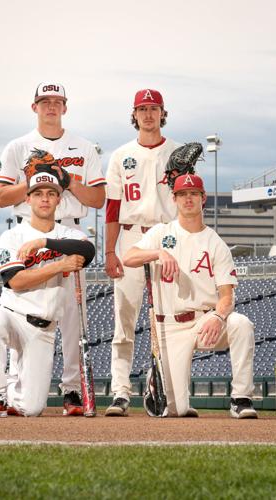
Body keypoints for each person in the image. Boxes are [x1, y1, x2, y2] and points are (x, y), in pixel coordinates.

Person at [0, 82, 105, 415]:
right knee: (20, 310)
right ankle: (15, 387)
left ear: (65, 107)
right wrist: (38, 178)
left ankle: (72, 391)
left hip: (69, 230)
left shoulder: (83, 147)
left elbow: (98, 199)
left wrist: (67, 180)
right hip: (28, 230)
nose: (51, 107)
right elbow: (1, 198)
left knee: (72, 315)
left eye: (57, 102)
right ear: (35, 107)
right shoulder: (18, 146)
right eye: (45, 102)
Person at [122, 173, 257, 419]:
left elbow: (227, 296)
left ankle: (241, 398)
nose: (188, 199)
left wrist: (218, 316)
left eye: (193, 194)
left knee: (241, 324)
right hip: (170, 326)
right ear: (174, 199)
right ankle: (159, 378)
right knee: (177, 410)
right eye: (182, 194)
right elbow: (129, 257)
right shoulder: (161, 232)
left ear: (203, 198)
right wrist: (157, 253)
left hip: (204, 321)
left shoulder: (216, 243)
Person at [0, 170, 95, 418]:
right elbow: (16, 281)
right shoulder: (11, 236)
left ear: (59, 200)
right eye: (38, 194)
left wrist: (44, 243)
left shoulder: (67, 234)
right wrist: (60, 265)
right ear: (27, 199)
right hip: (12, 315)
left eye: (51, 194)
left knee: (31, 408)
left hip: (42, 327)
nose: (45, 199)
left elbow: (87, 250)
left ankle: (12, 394)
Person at [104, 89, 181, 416]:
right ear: (133, 114)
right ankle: (120, 392)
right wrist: (109, 251)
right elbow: (112, 208)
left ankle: (172, 388)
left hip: (168, 238)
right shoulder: (121, 155)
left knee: (171, 318)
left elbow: (186, 202)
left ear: (163, 113)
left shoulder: (178, 152)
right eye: (142, 108)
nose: (148, 114)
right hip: (132, 238)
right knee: (124, 319)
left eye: (154, 108)